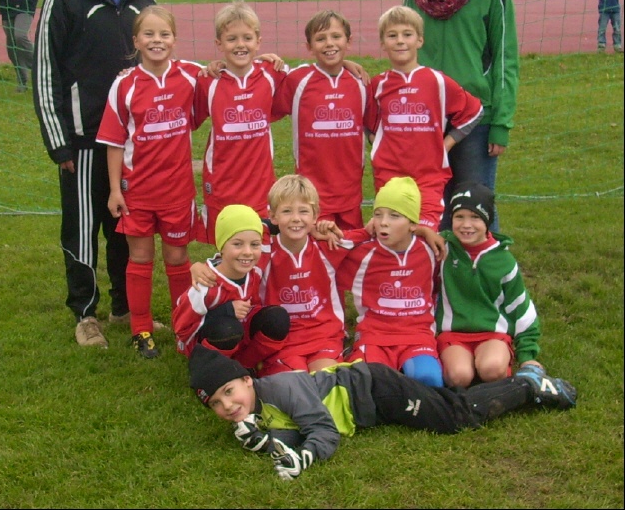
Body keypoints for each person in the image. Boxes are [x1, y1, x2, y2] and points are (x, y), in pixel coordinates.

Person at [33, 0, 156, 348]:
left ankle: (125, 308)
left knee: (126, 230)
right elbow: (45, 73)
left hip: (133, 146)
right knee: (82, 230)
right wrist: (59, 143)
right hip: (83, 143)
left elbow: (160, 66)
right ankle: (85, 314)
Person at [188, 343, 576, 481]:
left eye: (229, 392)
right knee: (446, 402)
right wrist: (265, 443)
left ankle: (529, 385)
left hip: (376, 389)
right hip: (375, 404)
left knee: (458, 417)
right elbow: (291, 433)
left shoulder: (282, 387)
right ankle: (518, 387)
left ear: (248, 380)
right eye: (216, 404)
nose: (227, 406)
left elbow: (323, 432)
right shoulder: (252, 410)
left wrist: (303, 458)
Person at [404, 0, 519, 233]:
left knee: (474, 208)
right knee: (429, 208)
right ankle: (438, 269)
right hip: (425, 117)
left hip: (476, 116)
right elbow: (403, 48)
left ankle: (489, 266)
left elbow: (505, 57)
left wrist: (501, 123)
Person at [96, 5, 203, 358]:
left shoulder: (191, 76)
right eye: (149, 34)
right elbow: (114, 143)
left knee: (177, 257)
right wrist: (115, 190)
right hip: (137, 192)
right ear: (136, 41)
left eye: (164, 34)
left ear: (174, 39)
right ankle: (140, 329)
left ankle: (183, 325)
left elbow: (228, 72)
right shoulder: (124, 84)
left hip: (177, 191)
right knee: (140, 257)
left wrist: (267, 61)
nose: (157, 40)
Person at [364, 5, 483, 230]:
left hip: (429, 177)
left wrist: (445, 145)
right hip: (389, 176)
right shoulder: (377, 85)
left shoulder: (437, 81)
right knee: (392, 233)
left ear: (419, 40)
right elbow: (364, 120)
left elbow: (474, 110)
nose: (400, 41)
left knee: (425, 234)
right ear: (383, 44)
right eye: (392, 35)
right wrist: (378, 142)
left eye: (407, 34)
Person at [194, 1, 288, 245]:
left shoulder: (272, 74)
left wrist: (347, 64)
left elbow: (312, 76)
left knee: (260, 248)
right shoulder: (208, 81)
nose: (240, 45)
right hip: (221, 186)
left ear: (258, 42)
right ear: (219, 44)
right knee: (226, 249)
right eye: (231, 39)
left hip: (260, 186)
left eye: (247, 38)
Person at [257, 174, 370, 377]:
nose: (296, 218)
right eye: (286, 211)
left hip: (324, 337)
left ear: (316, 215)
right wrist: (199, 268)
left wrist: (424, 231)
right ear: (272, 216)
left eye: (303, 211)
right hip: (284, 341)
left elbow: (369, 233)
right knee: (296, 385)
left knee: (327, 380)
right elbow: (243, 233)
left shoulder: (327, 245)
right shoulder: (265, 250)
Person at [336, 176, 443, 387]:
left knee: (429, 380)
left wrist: (425, 231)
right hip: (374, 336)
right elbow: (323, 250)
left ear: (413, 224)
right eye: (378, 214)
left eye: (394, 216)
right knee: (369, 384)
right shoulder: (362, 254)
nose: (383, 222)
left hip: (417, 336)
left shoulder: (431, 251)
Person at [435, 181, 543, 388]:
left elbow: (520, 306)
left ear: (487, 220)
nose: (466, 225)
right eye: (459, 217)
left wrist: (527, 355)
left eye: (475, 217)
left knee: (491, 369)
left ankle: (497, 372)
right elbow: (408, 240)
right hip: (454, 334)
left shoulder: (503, 260)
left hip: (493, 334)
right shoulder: (442, 249)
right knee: (458, 377)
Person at [272, 10, 368, 230]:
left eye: (336, 36)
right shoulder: (298, 80)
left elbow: (376, 127)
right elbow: (262, 101)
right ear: (309, 46)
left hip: (350, 194)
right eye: (321, 38)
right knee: (317, 249)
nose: (329, 43)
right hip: (311, 195)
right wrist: (263, 60)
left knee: (350, 247)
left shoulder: (360, 82)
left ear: (348, 41)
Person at [173, 204, 290, 369]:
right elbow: (181, 327)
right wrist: (226, 311)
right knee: (228, 329)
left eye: (254, 244)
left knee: (278, 319)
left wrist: (315, 227)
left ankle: (244, 365)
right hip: (214, 337)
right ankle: (216, 369)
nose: (248, 251)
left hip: (240, 332)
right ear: (221, 246)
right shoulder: (205, 284)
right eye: (237, 244)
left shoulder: (254, 267)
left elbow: (269, 226)